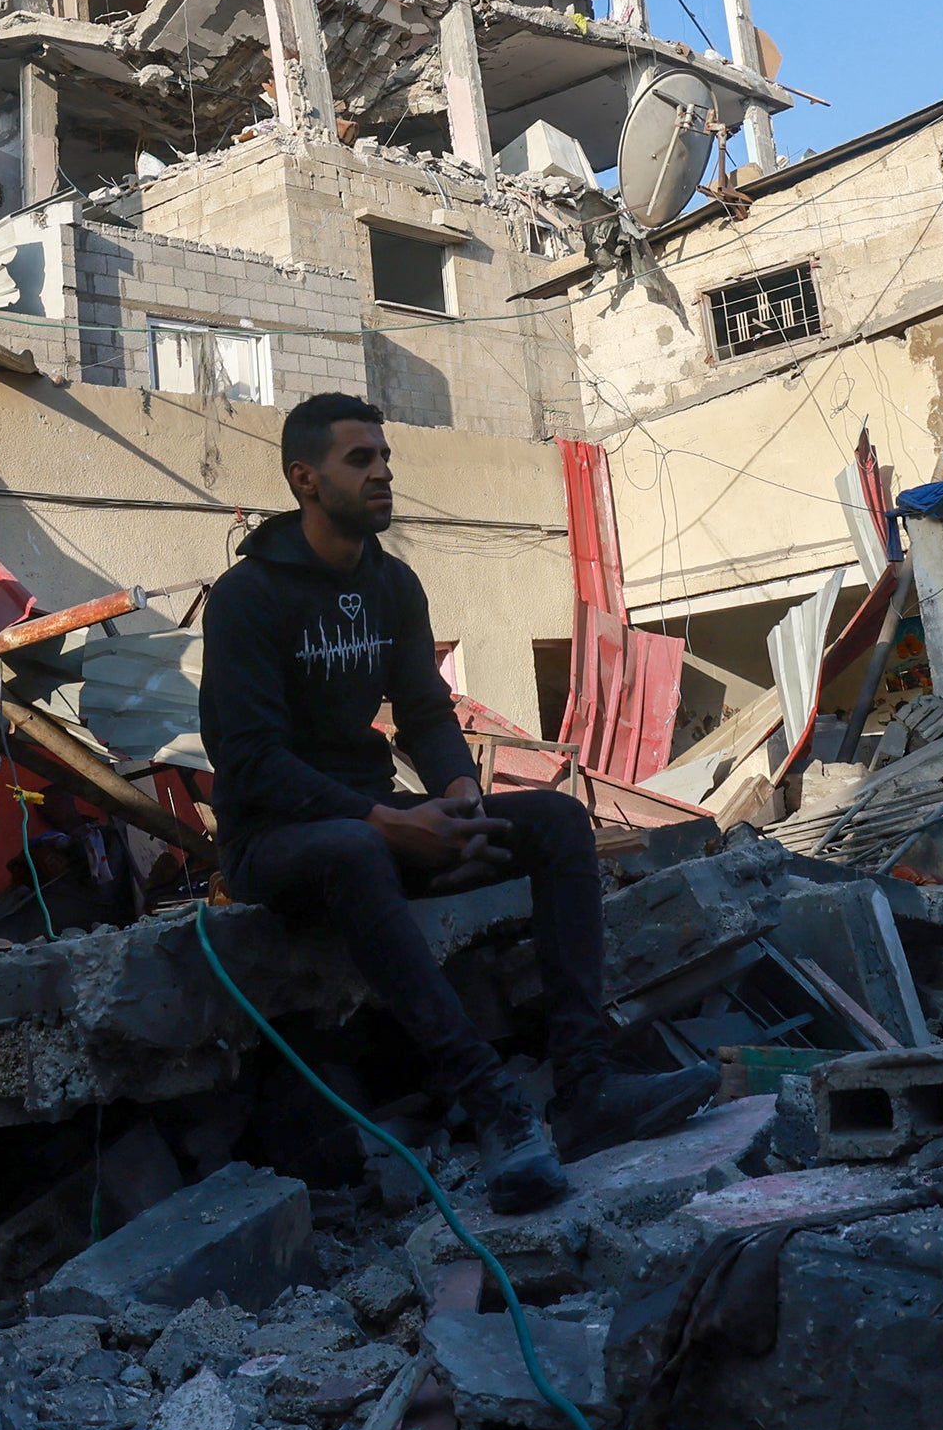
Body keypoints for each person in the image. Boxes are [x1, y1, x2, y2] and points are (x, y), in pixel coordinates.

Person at [203, 394, 717, 1210]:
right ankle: (494, 1106)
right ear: (304, 478)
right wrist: (390, 821)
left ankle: (586, 1084)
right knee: (353, 847)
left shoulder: (392, 584)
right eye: (359, 460)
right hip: (278, 843)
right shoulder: (248, 596)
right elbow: (251, 761)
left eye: (383, 456)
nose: (382, 471)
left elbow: (425, 712)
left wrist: (460, 803)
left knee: (553, 820)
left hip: (379, 822)